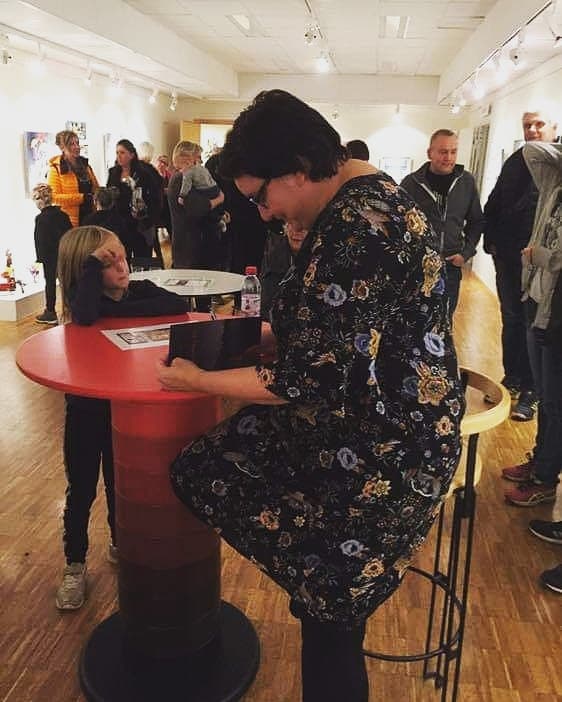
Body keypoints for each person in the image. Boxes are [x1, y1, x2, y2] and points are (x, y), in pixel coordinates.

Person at [157, 90, 465, 702]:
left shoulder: (357, 230)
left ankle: (329, 583)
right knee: (205, 469)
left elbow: (309, 380)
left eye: (261, 196)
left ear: (297, 169)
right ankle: (327, 581)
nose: (265, 213)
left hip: (388, 449)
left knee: (328, 619)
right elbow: (341, 332)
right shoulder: (363, 198)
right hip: (363, 425)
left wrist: (199, 381)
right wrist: (264, 339)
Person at [55, 225, 188, 610]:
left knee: (119, 481)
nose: (122, 266)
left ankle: (120, 542)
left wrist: (116, 307)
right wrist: (91, 273)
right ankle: (75, 563)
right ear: (85, 272)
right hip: (85, 410)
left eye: (121, 256)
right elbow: (84, 314)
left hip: (121, 408)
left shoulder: (137, 291)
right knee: (81, 488)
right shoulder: (83, 305)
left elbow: (175, 304)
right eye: (106, 262)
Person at [483, 109, 558, 421]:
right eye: (528, 125)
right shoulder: (516, 161)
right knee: (511, 319)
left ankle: (531, 390)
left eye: (539, 124)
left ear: (554, 127)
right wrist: (492, 242)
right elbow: (495, 201)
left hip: (542, 266)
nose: (533, 130)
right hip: (509, 257)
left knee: (533, 327)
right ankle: (512, 376)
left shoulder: (555, 165)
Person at [502, 141, 562, 514]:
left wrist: (543, 256)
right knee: (545, 397)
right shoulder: (555, 186)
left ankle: (544, 479)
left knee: (555, 403)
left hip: (557, 315)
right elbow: (533, 152)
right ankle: (539, 461)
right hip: (537, 304)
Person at [401, 129, 484, 317]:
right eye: (443, 152)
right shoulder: (411, 183)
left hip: (450, 266)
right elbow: (399, 222)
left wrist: (465, 253)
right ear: (430, 153)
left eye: (453, 152)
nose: (449, 157)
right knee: (415, 320)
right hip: (419, 266)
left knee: (445, 319)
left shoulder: (466, 182)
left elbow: (477, 221)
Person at [167, 141, 225, 271]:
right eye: (198, 157)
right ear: (187, 157)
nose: (201, 161)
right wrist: (219, 199)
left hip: (194, 244)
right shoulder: (180, 178)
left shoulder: (184, 176)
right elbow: (198, 208)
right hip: (191, 247)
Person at [106, 139, 162, 261]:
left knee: (142, 259)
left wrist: (148, 215)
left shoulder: (144, 173)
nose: (119, 156)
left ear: (131, 155)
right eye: (117, 153)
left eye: (122, 152)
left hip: (140, 223)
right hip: (120, 224)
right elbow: (110, 195)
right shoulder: (113, 173)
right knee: (122, 258)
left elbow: (155, 196)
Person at [31, 183, 71, 324]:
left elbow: (40, 240)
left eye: (36, 199)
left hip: (50, 256)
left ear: (41, 200)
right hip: (64, 254)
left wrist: (40, 258)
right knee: (67, 282)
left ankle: (50, 311)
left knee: (50, 283)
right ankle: (71, 309)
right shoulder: (63, 215)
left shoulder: (41, 219)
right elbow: (70, 234)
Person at [47, 130, 99, 227]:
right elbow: (55, 197)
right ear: (62, 147)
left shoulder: (85, 166)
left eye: (77, 143)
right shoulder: (56, 169)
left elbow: (96, 188)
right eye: (71, 144)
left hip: (90, 216)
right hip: (70, 220)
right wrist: (82, 198)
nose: (77, 147)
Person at [260, 222, 307, 319]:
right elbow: (266, 303)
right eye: (292, 225)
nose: (296, 232)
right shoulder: (275, 253)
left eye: (303, 228)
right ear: (285, 228)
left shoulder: (321, 258)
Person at [82, 186, 129, 254]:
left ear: (95, 201)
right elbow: (125, 243)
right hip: (115, 255)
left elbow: (85, 245)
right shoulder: (119, 220)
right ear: (112, 202)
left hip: (95, 256)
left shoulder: (87, 220)